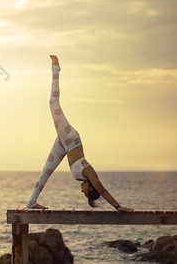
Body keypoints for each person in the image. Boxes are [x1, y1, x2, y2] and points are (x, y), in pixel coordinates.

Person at [26, 55, 133, 211]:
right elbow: (102, 190)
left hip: (64, 145)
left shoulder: (83, 176)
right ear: (91, 188)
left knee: (46, 171)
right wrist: (118, 206)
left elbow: (99, 191)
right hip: (70, 138)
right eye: (86, 193)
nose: (82, 191)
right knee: (53, 103)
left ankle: (32, 202)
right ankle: (55, 69)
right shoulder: (90, 173)